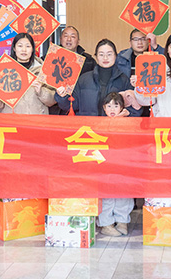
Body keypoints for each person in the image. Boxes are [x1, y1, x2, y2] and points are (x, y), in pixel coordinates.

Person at [56, 39, 137, 236]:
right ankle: (105, 221)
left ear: (116, 56)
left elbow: (136, 109)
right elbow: (70, 105)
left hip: (118, 139)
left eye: (109, 54)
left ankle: (122, 219)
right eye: (101, 54)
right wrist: (61, 95)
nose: (105, 57)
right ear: (95, 56)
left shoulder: (125, 79)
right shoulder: (83, 79)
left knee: (121, 179)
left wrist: (127, 112)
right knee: (100, 181)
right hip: (92, 138)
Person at [0, 33, 56, 114]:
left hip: (37, 119)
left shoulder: (43, 71)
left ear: (32, 49)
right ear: (14, 48)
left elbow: (52, 101)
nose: (24, 50)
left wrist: (41, 91)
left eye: (28, 46)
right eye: (20, 46)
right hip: (12, 119)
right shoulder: (4, 71)